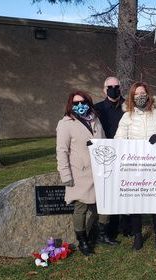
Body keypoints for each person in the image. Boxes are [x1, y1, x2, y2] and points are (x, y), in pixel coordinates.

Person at [56, 91, 118, 256]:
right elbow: (61, 151)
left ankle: (101, 235)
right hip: (80, 173)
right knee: (81, 207)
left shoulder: (95, 119)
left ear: (88, 103)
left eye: (82, 102)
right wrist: (66, 175)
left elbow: (104, 141)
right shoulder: (65, 123)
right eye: (76, 103)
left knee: (105, 203)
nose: (80, 106)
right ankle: (82, 240)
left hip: (100, 170)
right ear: (71, 105)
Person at [115, 81, 156, 252]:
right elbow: (119, 139)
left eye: (143, 93)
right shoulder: (127, 117)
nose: (140, 96)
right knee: (136, 203)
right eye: (136, 94)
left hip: (155, 165)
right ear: (132, 97)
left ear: (148, 94)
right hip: (135, 166)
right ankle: (138, 236)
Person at [94, 77, 132, 239]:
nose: (113, 89)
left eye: (116, 86)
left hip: (126, 155)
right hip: (106, 157)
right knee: (109, 192)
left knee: (126, 190)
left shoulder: (129, 107)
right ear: (104, 89)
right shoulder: (97, 109)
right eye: (110, 87)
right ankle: (110, 226)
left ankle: (128, 226)